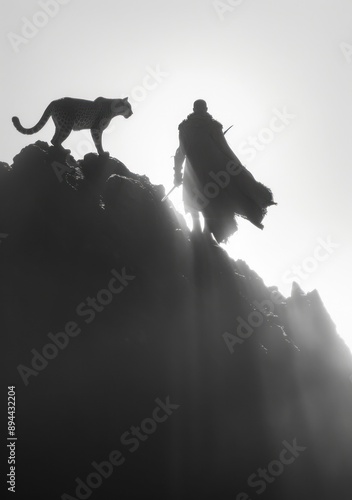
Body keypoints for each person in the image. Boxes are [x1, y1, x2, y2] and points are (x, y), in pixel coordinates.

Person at [174, 99, 276, 243]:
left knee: (194, 201)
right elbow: (224, 149)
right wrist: (236, 167)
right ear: (206, 108)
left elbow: (180, 153)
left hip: (193, 170)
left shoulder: (185, 127)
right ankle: (205, 235)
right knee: (211, 201)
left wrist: (177, 174)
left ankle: (199, 234)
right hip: (212, 170)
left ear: (194, 108)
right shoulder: (213, 126)